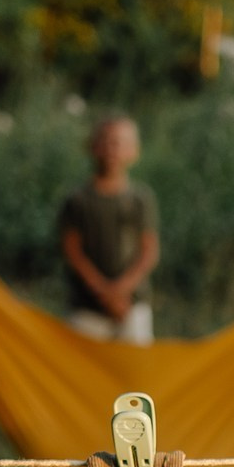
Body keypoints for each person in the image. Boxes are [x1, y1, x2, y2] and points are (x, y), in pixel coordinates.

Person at [57, 115, 161, 345]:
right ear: (92, 147)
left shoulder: (140, 199)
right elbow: (72, 250)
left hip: (132, 307)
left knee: (135, 375)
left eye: (119, 143)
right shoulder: (77, 200)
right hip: (87, 308)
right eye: (105, 142)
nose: (111, 150)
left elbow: (148, 251)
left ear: (133, 152)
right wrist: (103, 292)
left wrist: (121, 292)